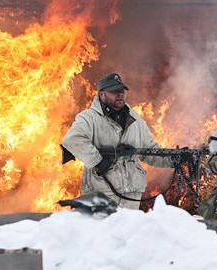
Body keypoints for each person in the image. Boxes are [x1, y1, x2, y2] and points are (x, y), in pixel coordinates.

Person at [62, 73, 171, 209]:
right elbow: (73, 139)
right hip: (102, 193)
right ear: (101, 94)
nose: (119, 94)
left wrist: (174, 158)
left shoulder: (135, 120)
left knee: (129, 230)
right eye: (113, 91)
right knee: (103, 230)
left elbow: (150, 150)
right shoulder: (89, 118)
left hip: (132, 193)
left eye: (121, 90)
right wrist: (98, 161)